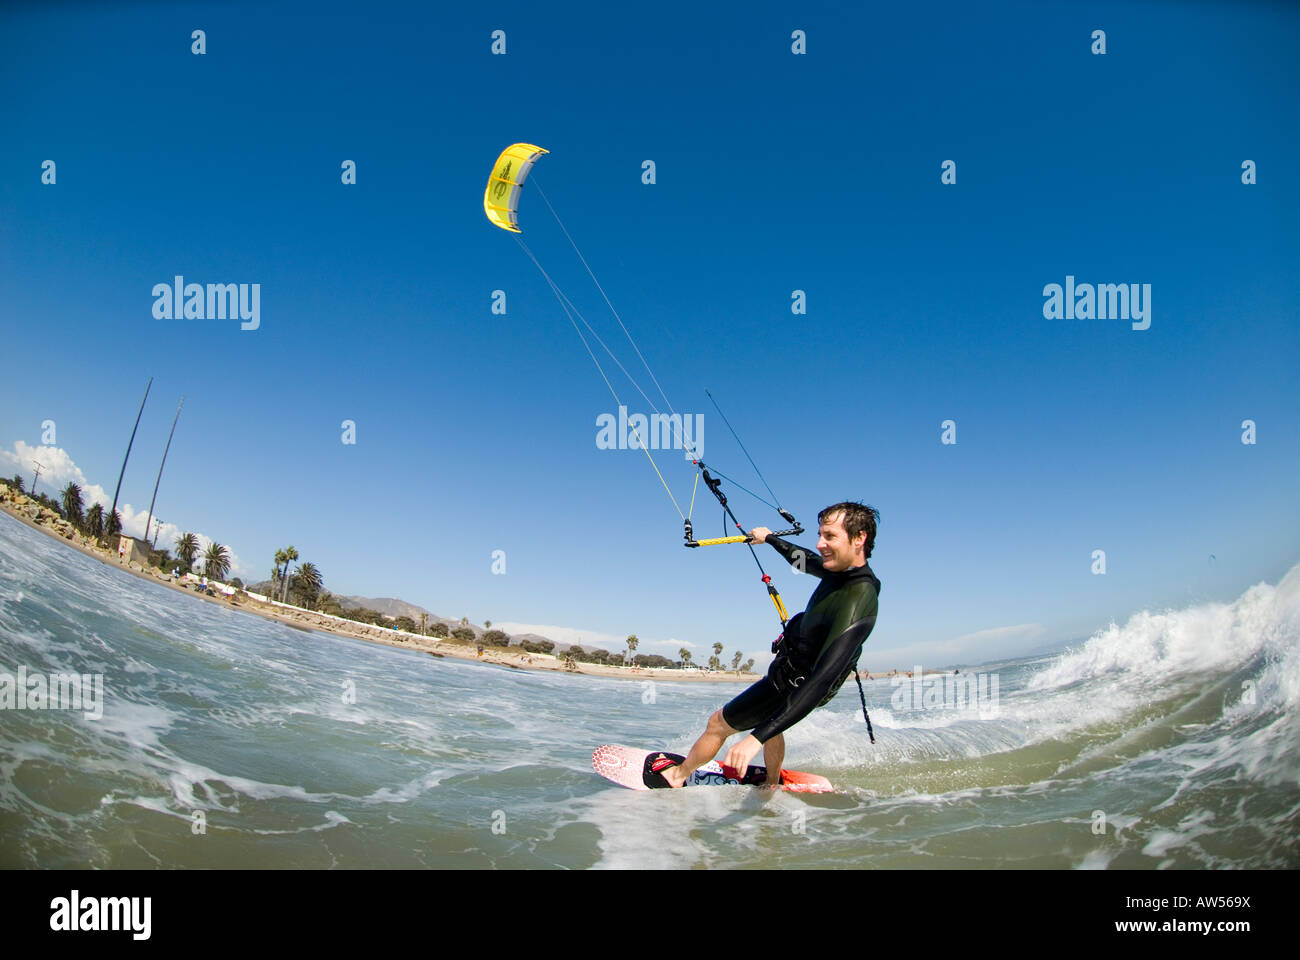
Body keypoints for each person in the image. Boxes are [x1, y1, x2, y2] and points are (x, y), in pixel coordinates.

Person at [660, 501, 880, 788]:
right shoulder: (837, 572)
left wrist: (754, 739)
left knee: (718, 724)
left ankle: (677, 776)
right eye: (820, 534)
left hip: (800, 682)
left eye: (830, 536)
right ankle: (772, 783)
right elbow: (803, 560)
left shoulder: (859, 598)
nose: (820, 543)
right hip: (789, 669)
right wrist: (771, 538)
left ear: (859, 538)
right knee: (773, 724)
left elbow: (822, 681)